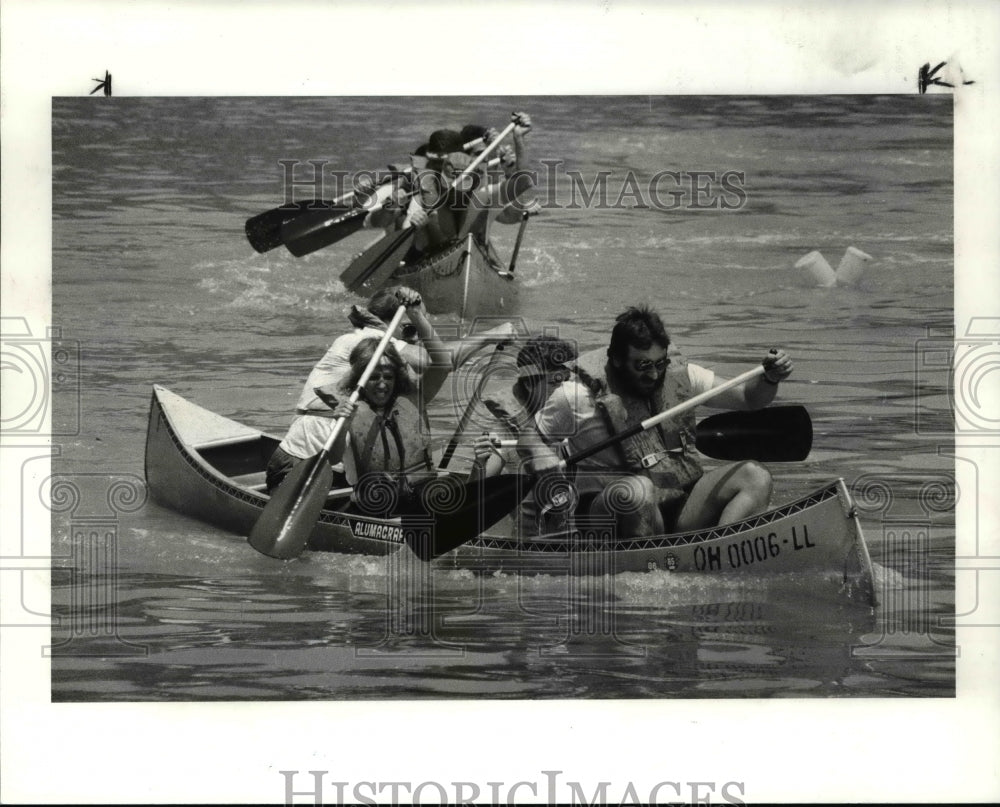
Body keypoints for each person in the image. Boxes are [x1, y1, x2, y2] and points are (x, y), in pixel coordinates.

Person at [519, 306, 794, 538]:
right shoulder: (575, 395)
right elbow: (527, 437)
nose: (653, 374)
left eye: (659, 363)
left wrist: (770, 379)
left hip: (678, 503)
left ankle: (721, 550)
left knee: (755, 476)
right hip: (611, 514)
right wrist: (540, 452)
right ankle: (652, 572)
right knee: (638, 490)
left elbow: (749, 398)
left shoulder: (684, 377)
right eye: (642, 366)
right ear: (616, 360)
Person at [264, 286, 441, 492]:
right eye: (411, 329)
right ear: (392, 322)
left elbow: (436, 368)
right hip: (300, 464)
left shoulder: (390, 359)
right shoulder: (365, 341)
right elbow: (430, 360)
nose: (416, 338)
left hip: (339, 468)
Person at [323, 324, 452, 515]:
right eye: (374, 377)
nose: (382, 384)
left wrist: (417, 315)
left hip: (420, 502)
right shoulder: (349, 411)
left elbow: (444, 364)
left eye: (388, 377)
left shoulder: (414, 399)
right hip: (374, 510)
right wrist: (342, 425)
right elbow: (332, 457)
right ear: (361, 380)